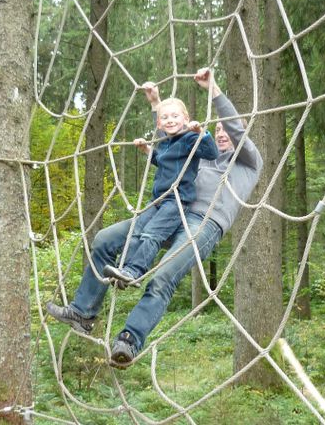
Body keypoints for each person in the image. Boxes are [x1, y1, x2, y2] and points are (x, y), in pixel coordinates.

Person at [46, 68, 263, 367]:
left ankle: (129, 340)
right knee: (104, 239)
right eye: (220, 129)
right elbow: (169, 143)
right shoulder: (198, 152)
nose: (224, 134)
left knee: (162, 276)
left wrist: (213, 88)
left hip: (202, 223)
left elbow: (234, 129)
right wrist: (156, 105)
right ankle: (83, 312)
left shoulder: (248, 161)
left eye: (229, 130)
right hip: (168, 209)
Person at [102, 91, 219, 287]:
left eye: (175, 116)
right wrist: (148, 150)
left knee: (151, 234)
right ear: (158, 124)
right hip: (158, 199)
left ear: (185, 119)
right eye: (164, 117)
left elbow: (211, 153)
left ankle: (134, 271)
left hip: (176, 200)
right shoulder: (164, 142)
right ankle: (123, 270)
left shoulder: (189, 138)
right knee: (136, 230)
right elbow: (163, 162)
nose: (170, 120)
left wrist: (201, 133)